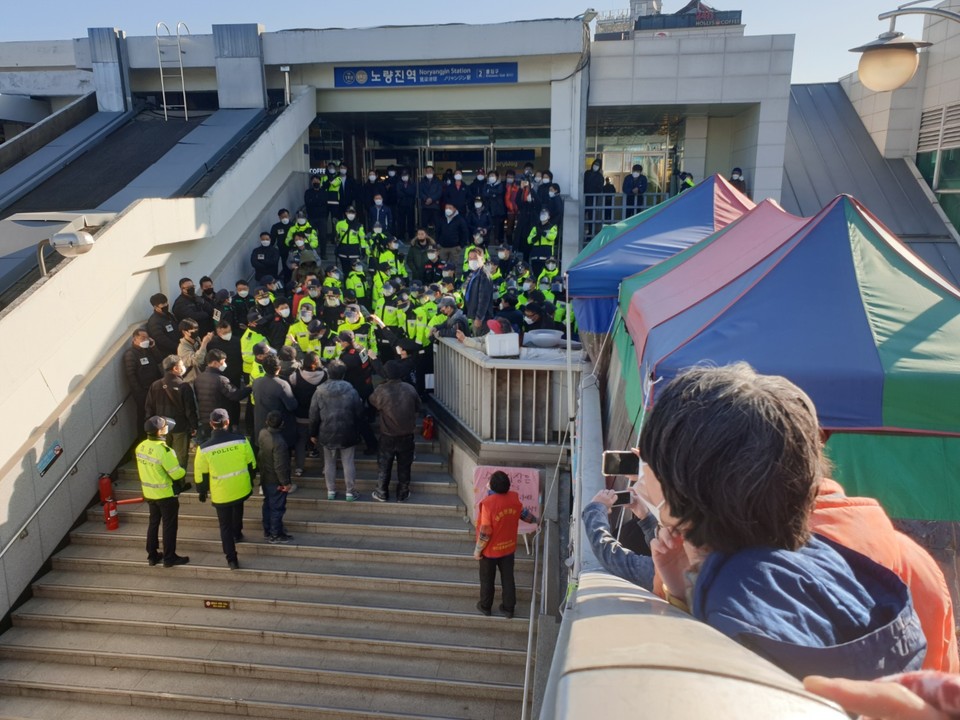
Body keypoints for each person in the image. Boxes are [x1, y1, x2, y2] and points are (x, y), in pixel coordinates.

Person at [639, 363, 925, 681]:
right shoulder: (818, 558)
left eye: (651, 461)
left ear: (682, 488)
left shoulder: (735, 616)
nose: (644, 471)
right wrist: (683, 586)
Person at [195, 409, 256, 570]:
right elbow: (252, 464)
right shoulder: (241, 441)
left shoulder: (204, 449)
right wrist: (252, 479)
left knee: (224, 526)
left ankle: (231, 559)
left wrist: (202, 491)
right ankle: (238, 533)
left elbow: (201, 474)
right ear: (227, 422)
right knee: (238, 509)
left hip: (221, 493)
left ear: (211, 424)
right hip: (240, 486)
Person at [474, 470, 538, 618]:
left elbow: (485, 531)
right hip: (508, 548)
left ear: (492, 486)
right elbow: (525, 515)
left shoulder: (488, 505)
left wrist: (478, 551)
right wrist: (537, 520)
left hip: (489, 551)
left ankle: (486, 606)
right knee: (508, 578)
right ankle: (509, 608)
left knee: (487, 579)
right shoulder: (514, 499)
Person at [136, 416, 189, 568]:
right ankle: (169, 557)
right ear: (160, 431)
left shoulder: (141, 447)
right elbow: (176, 474)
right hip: (165, 494)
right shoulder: (165, 451)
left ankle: (152, 555)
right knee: (169, 526)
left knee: (153, 523)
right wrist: (183, 470)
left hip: (149, 493)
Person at [309, 359, 364, 502]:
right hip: (348, 432)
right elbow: (359, 413)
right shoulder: (351, 390)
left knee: (329, 463)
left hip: (327, 432)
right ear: (343, 374)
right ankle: (350, 492)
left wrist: (313, 433)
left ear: (328, 373)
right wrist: (358, 431)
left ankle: (331, 491)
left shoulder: (319, 391)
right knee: (348, 462)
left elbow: (313, 415)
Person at [369, 360, 421, 502]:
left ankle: (381, 492)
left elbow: (372, 401)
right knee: (405, 466)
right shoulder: (410, 389)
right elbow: (418, 407)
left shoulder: (381, 390)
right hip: (407, 435)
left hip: (387, 435)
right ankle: (402, 493)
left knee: (384, 465)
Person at [144, 355, 198, 468]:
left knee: (163, 455)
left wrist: (153, 426)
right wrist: (194, 426)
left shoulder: (155, 385)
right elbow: (190, 409)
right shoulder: (184, 386)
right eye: (182, 365)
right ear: (175, 368)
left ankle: (167, 478)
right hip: (180, 426)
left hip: (161, 427)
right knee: (180, 455)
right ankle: (179, 482)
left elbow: (149, 407)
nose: (184, 367)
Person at [194, 348, 250, 437]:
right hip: (219, 419)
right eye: (223, 361)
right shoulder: (221, 379)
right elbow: (235, 395)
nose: (224, 364)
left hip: (205, 419)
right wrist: (250, 388)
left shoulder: (199, 377)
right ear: (215, 363)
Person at [257, 410, 294, 543]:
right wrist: (286, 483)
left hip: (265, 476)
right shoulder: (280, 443)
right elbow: (280, 465)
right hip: (276, 480)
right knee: (277, 507)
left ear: (267, 422)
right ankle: (275, 534)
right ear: (282, 424)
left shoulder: (262, 434)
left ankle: (268, 530)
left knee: (268, 505)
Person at [288, 351, 326, 477]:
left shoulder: (295, 376)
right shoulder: (326, 374)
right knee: (321, 441)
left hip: (301, 415)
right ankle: (326, 466)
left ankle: (299, 467)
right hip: (320, 415)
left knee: (300, 442)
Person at [251, 354, 297, 448]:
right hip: (278, 431)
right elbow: (292, 406)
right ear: (279, 368)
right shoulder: (282, 384)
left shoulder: (256, 382)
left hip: (260, 429)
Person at [123, 327, 162, 436]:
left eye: (147, 337)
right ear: (134, 339)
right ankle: (143, 437)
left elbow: (159, 359)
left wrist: (153, 347)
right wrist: (140, 393)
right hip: (143, 392)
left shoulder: (148, 350)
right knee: (143, 416)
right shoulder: (131, 354)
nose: (146, 340)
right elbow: (131, 376)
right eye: (142, 338)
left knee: (156, 414)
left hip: (155, 389)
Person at [463, 251, 494, 335]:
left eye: (475, 258)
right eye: (470, 258)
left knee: (480, 341)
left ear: (482, 259)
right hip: (473, 314)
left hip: (482, 318)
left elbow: (483, 299)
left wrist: (479, 317)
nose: (472, 260)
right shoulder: (473, 274)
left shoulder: (484, 275)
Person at [436, 202, 469, 269]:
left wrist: (461, 245)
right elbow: (437, 231)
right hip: (443, 247)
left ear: (454, 209)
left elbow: (464, 233)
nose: (448, 209)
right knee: (441, 267)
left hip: (454, 248)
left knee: (453, 268)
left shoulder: (460, 219)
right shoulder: (441, 218)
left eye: (450, 208)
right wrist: (438, 243)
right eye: (446, 208)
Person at [419, 165, 443, 231]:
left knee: (437, 224)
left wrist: (431, 199)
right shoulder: (422, 181)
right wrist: (426, 199)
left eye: (430, 171)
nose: (428, 172)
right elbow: (420, 192)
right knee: (424, 225)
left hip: (435, 206)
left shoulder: (438, 181)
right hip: (425, 206)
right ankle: (424, 239)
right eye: (427, 171)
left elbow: (439, 192)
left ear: (433, 172)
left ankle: (438, 239)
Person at [395, 169, 417, 239]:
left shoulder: (412, 183)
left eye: (406, 175)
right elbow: (399, 194)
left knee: (411, 221)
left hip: (410, 205)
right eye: (403, 175)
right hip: (401, 205)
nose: (405, 177)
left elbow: (412, 192)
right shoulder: (399, 184)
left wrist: (404, 190)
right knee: (401, 221)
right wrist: (407, 192)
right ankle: (401, 236)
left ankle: (411, 236)